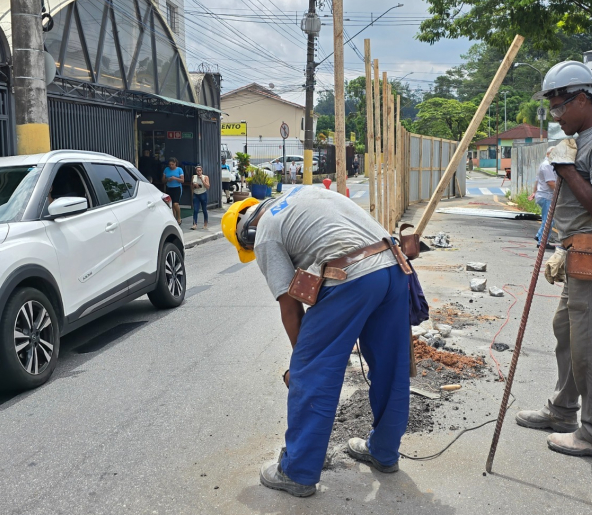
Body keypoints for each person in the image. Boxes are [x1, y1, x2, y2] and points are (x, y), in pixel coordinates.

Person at [221, 189, 411, 497]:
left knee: (313, 374)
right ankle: (384, 453)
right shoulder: (301, 195)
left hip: (354, 275)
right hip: (394, 266)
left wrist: (304, 366)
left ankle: (298, 472)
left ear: (246, 233)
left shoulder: (265, 234)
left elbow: (290, 307)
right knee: (391, 368)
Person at [515, 61, 592, 461]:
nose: (555, 115)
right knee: (566, 330)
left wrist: (566, 169)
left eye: (559, 106)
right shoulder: (586, 137)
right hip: (580, 250)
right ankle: (564, 411)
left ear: (582, 98)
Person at [528, 146, 558, 249]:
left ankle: (539, 236)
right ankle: (542, 242)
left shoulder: (546, 164)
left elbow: (537, 180)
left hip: (543, 195)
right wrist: (561, 193)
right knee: (549, 220)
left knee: (548, 219)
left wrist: (534, 192)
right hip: (546, 196)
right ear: (548, 154)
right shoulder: (547, 165)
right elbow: (550, 182)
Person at [163, 158, 184, 225]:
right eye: (170, 164)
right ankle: (173, 218)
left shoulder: (179, 169)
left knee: (175, 204)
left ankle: (179, 218)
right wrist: (167, 179)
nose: (171, 166)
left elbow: (182, 180)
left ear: (175, 164)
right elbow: (163, 180)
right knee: (170, 204)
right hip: (169, 188)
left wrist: (175, 178)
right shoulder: (166, 169)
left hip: (177, 188)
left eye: (172, 164)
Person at [190, 165, 210, 230]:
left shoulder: (205, 177)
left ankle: (205, 224)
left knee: (204, 209)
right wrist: (194, 186)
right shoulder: (194, 177)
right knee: (195, 210)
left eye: (200, 171)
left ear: (202, 171)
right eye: (197, 171)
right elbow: (191, 187)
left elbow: (208, 187)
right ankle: (194, 224)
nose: (198, 172)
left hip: (203, 194)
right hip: (196, 194)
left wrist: (202, 180)